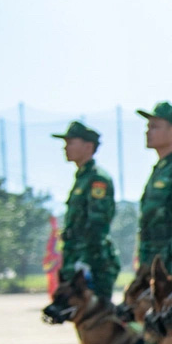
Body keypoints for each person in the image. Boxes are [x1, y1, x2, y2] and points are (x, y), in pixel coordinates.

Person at [54, 121, 118, 299]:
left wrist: (87, 260)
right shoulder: (82, 177)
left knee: (96, 317)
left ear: (88, 146)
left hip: (91, 259)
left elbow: (98, 223)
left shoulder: (97, 178)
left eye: (70, 143)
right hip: (77, 255)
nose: (65, 148)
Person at [134, 102, 172, 273]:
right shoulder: (160, 170)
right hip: (150, 255)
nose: (147, 132)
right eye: (148, 127)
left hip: (166, 258)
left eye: (154, 127)